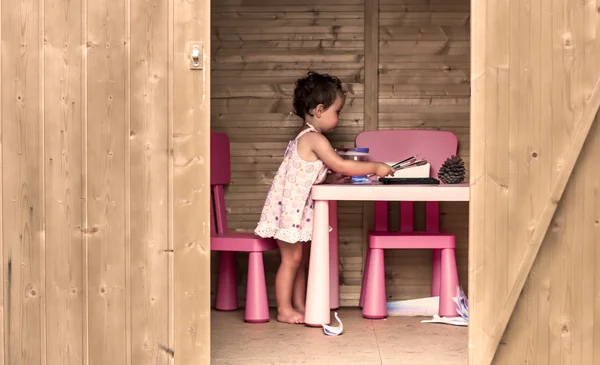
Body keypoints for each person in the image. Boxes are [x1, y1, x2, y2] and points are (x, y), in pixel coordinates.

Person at [254, 71, 395, 324]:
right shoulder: (313, 139)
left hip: (297, 211)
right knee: (291, 259)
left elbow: (316, 173)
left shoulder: (307, 137)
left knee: (299, 259)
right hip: (290, 212)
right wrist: (375, 167)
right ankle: (284, 309)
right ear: (319, 110)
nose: (339, 118)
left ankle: (299, 304)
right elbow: (341, 165)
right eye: (337, 111)